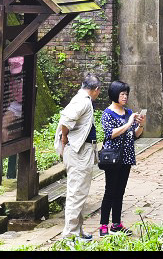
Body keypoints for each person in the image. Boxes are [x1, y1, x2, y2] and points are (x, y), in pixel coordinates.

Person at [55, 73, 101, 239]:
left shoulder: (83, 99)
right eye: (99, 91)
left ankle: (78, 230)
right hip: (77, 152)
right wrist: (64, 137)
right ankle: (70, 235)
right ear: (95, 90)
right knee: (76, 193)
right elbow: (66, 121)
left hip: (82, 151)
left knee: (80, 193)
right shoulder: (82, 101)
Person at [98, 80, 146, 237]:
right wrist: (129, 122)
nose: (125, 97)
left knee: (120, 191)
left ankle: (116, 224)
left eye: (126, 94)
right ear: (114, 95)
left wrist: (140, 125)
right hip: (112, 157)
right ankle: (103, 225)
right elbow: (110, 134)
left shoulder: (128, 112)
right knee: (110, 191)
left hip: (126, 157)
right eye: (122, 94)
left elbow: (135, 135)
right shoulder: (107, 113)